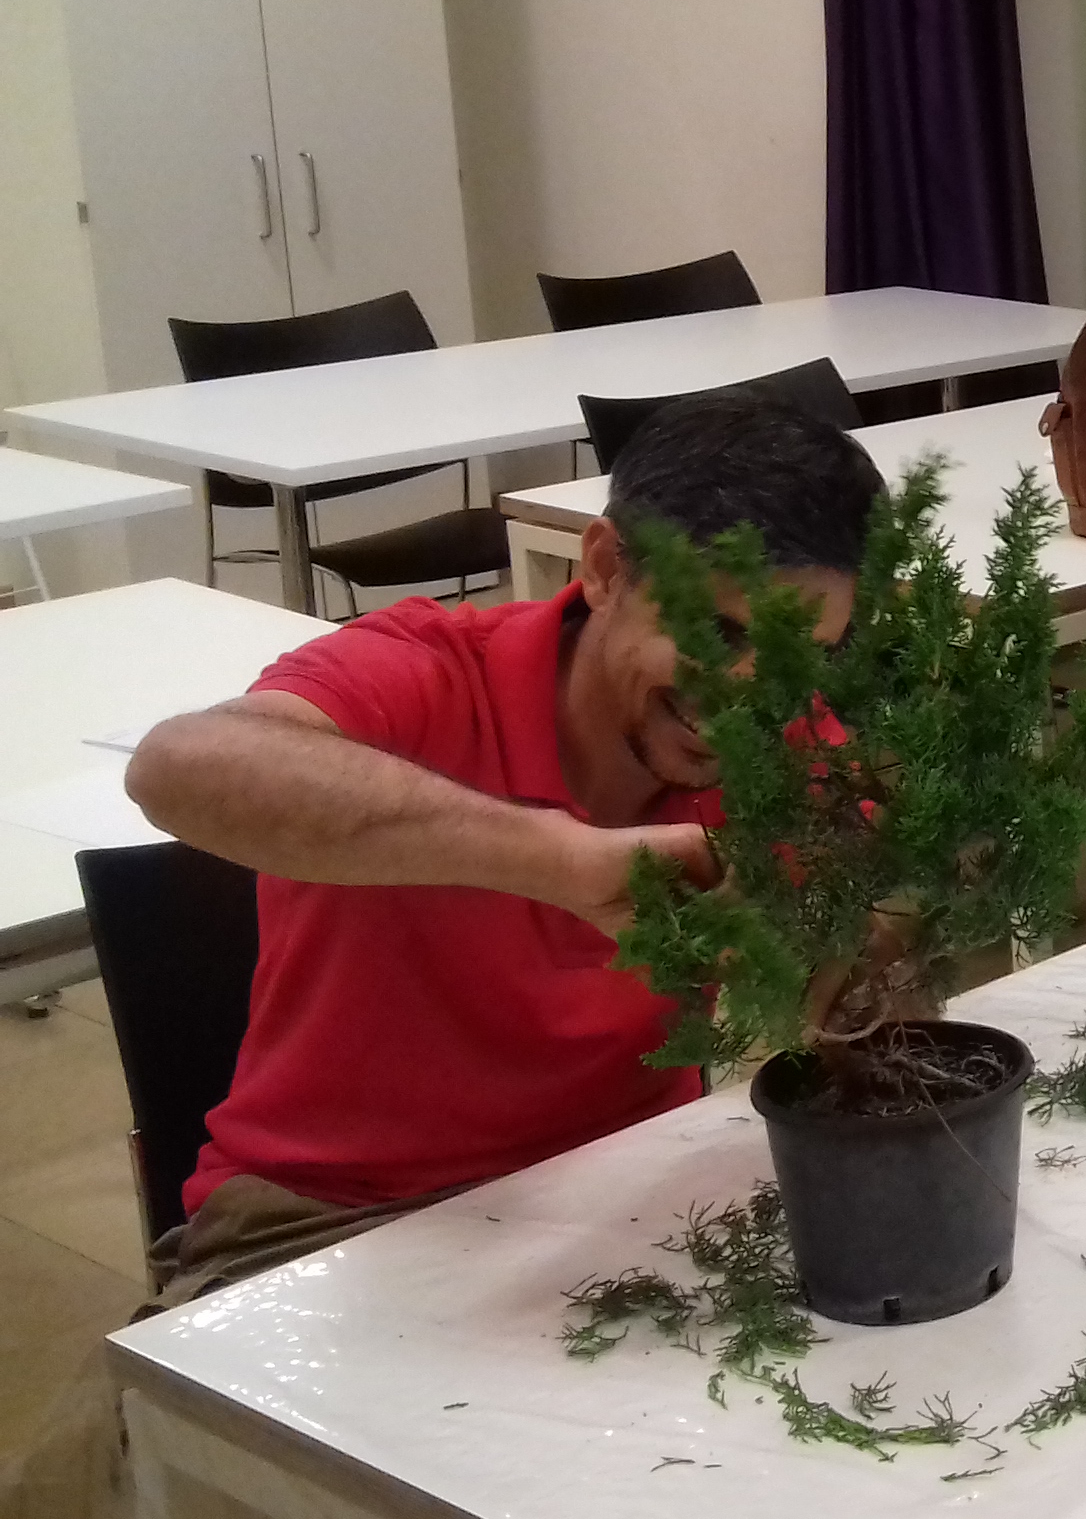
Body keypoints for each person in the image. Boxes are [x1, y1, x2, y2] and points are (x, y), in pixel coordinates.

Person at [0, 389, 888, 1519]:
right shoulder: (428, 672)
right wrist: (562, 860)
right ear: (604, 568)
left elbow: (850, 973)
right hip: (320, 1225)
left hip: (613, 1205)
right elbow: (179, 768)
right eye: (715, 635)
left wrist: (860, 957)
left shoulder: (795, 752)